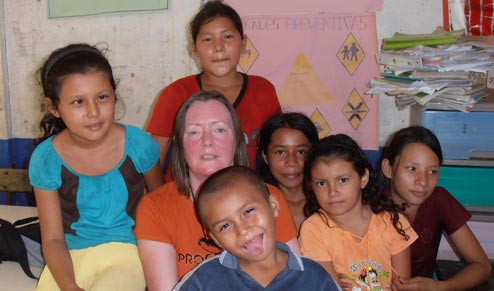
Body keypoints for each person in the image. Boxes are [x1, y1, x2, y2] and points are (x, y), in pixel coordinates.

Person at [29, 43, 164, 291]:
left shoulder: (138, 145)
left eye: (102, 97)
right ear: (53, 107)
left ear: (114, 95)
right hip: (68, 258)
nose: (93, 112)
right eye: (78, 102)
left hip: (127, 252)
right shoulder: (46, 159)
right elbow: (53, 238)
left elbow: (162, 208)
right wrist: (68, 285)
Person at [135, 91, 299, 291]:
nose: (207, 141)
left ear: (238, 140)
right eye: (194, 132)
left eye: (219, 130)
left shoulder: (267, 196)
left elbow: (297, 279)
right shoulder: (156, 207)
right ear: (180, 144)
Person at [146, 0, 281, 179]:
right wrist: (161, 200)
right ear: (194, 47)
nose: (218, 47)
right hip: (186, 197)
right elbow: (152, 159)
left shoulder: (264, 91)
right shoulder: (176, 94)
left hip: (241, 196)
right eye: (208, 39)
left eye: (228, 37)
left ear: (243, 42)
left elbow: (278, 147)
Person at [173, 165, 340, 291]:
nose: (243, 229)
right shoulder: (204, 281)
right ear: (216, 240)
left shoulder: (313, 277)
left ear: (273, 206)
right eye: (225, 226)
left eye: (248, 211)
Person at [299, 134, 418, 291]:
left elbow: (403, 285)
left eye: (342, 180)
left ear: (363, 178)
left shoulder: (393, 221)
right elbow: (329, 286)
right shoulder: (313, 229)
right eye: (321, 183)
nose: (332, 192)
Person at [380, 125, 491, 291]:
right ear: (388, 168)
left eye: (432, 172)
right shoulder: (371, 207)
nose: (423, 182)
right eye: (412, 169)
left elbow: (482, 267)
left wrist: (440, 287)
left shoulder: (438, 200)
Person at [257, 112, 319, 231]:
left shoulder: (330, 200)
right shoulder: (257, 206)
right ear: (265, 156)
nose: (291, 162)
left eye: (301, 152)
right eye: (281, 152)